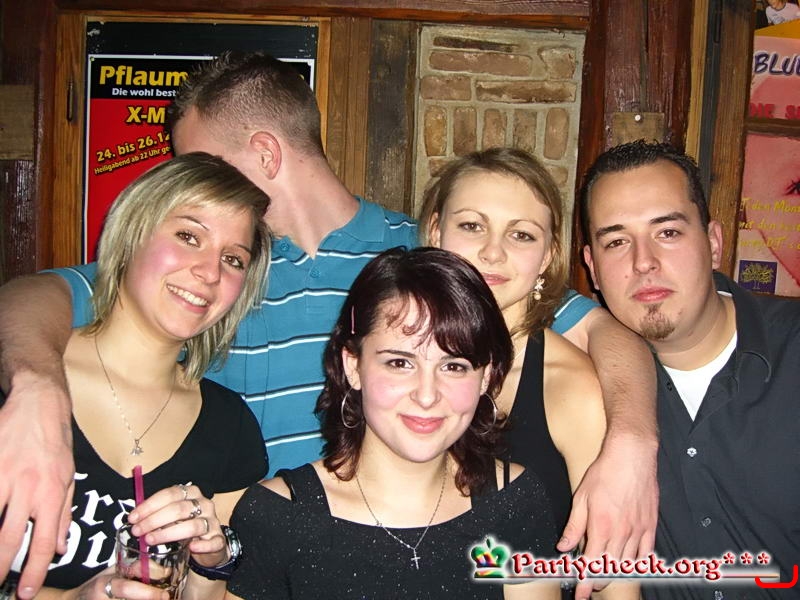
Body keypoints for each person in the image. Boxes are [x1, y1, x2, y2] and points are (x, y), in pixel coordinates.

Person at [0, 52, 653, 596]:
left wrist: (631, 440)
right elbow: (33, 296)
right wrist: (35, 385)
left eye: (201, 165)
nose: (191, 186)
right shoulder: (214, 275)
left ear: (263, 153)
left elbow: (601, 331)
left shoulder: (431, 260)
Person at [220, 247, 559, 599]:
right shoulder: (278, 514)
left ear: (485, 377)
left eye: (453, 366)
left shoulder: (513, 500)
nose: (426, 396)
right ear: (353, 366)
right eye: (400, 363)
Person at [2, 152, 270, 598]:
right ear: (131, 234)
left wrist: (209, 558)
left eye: (233, 259)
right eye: (189, 236)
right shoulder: (19, 381)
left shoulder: (230, 424)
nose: (210, 272)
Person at [419, 147, 644, 599]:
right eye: (472, 225)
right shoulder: (400, 367)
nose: (493, 251)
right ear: (436, 232)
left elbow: (615, 586)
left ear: (547, 257)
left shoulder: (571, 388)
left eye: (521, 235)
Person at [581, 140, 800, 598]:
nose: (643, 262)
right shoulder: (585, 380)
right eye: (616, 241)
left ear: (713, 243)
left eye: (667, 232)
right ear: (593, 269)